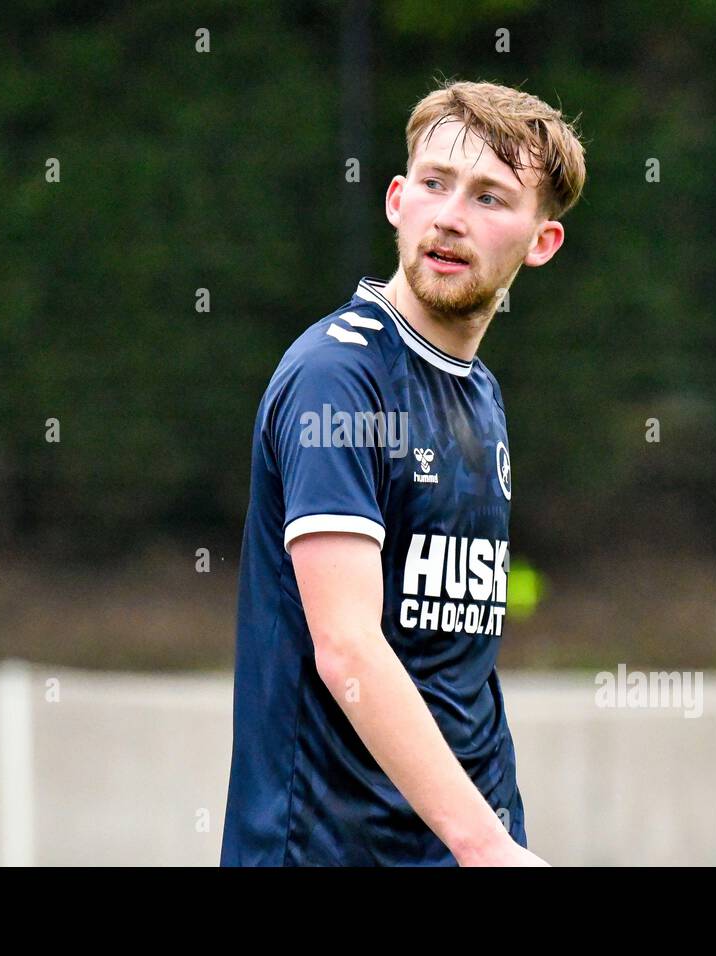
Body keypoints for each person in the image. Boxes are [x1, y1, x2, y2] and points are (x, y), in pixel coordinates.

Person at [221, 79, 586, 866]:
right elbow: (347, 646)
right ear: (396, 200)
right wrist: (486, 845)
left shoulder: (479, 393)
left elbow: (453, 671)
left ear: (542, 242)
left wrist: (494, 837)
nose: (451, 216)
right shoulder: (336, 378)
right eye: (434, 184)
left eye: (490, 197)